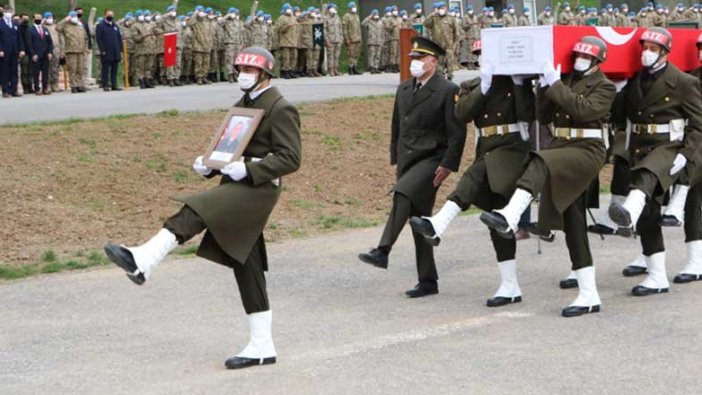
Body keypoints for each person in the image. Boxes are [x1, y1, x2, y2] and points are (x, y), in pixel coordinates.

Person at [105, 46, 301, 370]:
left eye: (248, 71)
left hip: (258, 190)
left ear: (265, 74)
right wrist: (209, 165)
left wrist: (250, 168)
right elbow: (229, 147)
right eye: (239, 70)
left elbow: (291, 157)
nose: (242, 75)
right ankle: (262, 345)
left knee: (198, 208)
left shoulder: (281, 108)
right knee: (246, 262)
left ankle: (145, 258)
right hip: (236, 185)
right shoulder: (243, 105)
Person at [480, 36, 616, 317]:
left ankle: (511, 213)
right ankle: (589, 294)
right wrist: (542, 86)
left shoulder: (604, 86)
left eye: (587, 57)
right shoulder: (564, 80)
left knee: (540, 160)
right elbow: (542, 116)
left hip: (588, 149)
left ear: (598, 60)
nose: (580, 60)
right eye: (578, 54)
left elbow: (583, 110)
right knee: (573, 219)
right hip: (563, 147)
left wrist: (554, 84)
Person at [410, 39, 534, 307]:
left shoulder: (515, 81)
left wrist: (521, 85)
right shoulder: (471, 86)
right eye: (478, 54)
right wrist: (485, 86)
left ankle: (438, 223)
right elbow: (462, 114)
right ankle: (510, 285)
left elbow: (528, 114)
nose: (481, 58)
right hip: (488, 151)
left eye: (486, 54)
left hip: (512, 150)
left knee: (471, 177)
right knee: (497, 224)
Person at [358, 37, 465, 298]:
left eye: (420, 59)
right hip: (408, 160)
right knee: (419, 220)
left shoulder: (447, 89)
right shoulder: (404, 89)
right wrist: (395, 157)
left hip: (431, 160)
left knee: (402, 194)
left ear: (433, 61)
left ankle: (383, 250)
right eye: (412, 59)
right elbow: (398, 125)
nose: (415, 63)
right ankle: (428, 280)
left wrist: (448, 165)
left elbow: (457, 132)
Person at [609, 27, 702, 295]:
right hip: (640, 147)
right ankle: (657, 276)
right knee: (649, 217)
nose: (646, 53)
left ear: (664, 52)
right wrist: (618, 89)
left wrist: (687, 153)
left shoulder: (683, 82)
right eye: (644, 48)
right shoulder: (636, 80)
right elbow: (617, 116)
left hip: (669, 147)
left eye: (653, 49)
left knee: (646, 179)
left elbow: (697, 123)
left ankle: (629, 209)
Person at [56, 11, 87, 93]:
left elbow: (85, 37)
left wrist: (85, 48)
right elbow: (57, 28)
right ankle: (73, 85)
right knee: (72, 69)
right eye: (73, 16)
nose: (75, 18)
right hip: (71, 50)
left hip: (81, 50)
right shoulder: (66, 26)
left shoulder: (80, 25)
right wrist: (65, 20)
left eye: (76, 16)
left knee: (80, 69)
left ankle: (80, 84)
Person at [0, 5, 25, 97]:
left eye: (10, 11)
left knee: (14, 71)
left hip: (15, 50)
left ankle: (14, 90)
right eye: (7, 11)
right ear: (3, 12)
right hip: (4, 51)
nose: (8, 13)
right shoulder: (0, 23)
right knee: (4, 71)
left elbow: (19, 38)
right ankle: (6, 90)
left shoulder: (15, 23)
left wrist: (21, 49)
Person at [26, 12, 53, 95]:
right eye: (37, 18)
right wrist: (33, 54)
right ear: (33, 19)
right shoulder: (30, 30)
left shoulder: (45, 29)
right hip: (36, 55)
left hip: (45, 54)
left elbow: (50, 42)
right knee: (36, 73)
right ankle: (37, 88)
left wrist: (50, 52)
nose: (39, 19)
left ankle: (45, 88)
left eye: (40, 18)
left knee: (45, 72)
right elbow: (29, 43)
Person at [96, 9, 122, 92]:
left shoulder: (115, 26)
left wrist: (120, 49)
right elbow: (99, 39)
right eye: (108, 15)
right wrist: (102, 50)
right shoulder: (100, 25)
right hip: (106, 51)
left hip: (115, 51)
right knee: (106, 69)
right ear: (105, 15)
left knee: (114, 69)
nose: (110, 16)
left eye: (111, 15)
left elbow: (119, 38)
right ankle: (105, 85)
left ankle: (114, 85)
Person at [324, 3, 343, 76]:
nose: (335, 9)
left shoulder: (337, 17)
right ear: (329, 9)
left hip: (338, 39)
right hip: (330, 40)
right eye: (333, 8)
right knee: (330, 56)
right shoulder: (326, 18)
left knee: (336, 56)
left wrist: (341, 38)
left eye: (335, 8)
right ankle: (331, 70)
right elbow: (324, 30)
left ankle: (336, 69)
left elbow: (340, 28)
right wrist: (326, 40)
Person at [343, 2, 362, 75]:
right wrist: (346, 38)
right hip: (351, 39)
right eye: (353, 7)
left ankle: (354, 67)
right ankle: (350, 68)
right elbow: (344, 28)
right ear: (349, 8)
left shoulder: (356, 16)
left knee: (356, 54)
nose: (354, 8)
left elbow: (358, 28)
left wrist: (360, 38)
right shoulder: (346, 16)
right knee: (351, 54)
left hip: (358, 38)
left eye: (355, 6)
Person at [362, 9, 383, 74]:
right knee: (372, 55)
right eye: (375, 14)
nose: (376, 15)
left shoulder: (380, 22)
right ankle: (372, 68)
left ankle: (376, 68)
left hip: (379, 41)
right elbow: (363, 23)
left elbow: (382, 32)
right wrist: (369, 16)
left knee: (377, 55)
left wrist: (382, 41)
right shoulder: (369, 22)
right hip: (372, 41)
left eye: (377, 14)